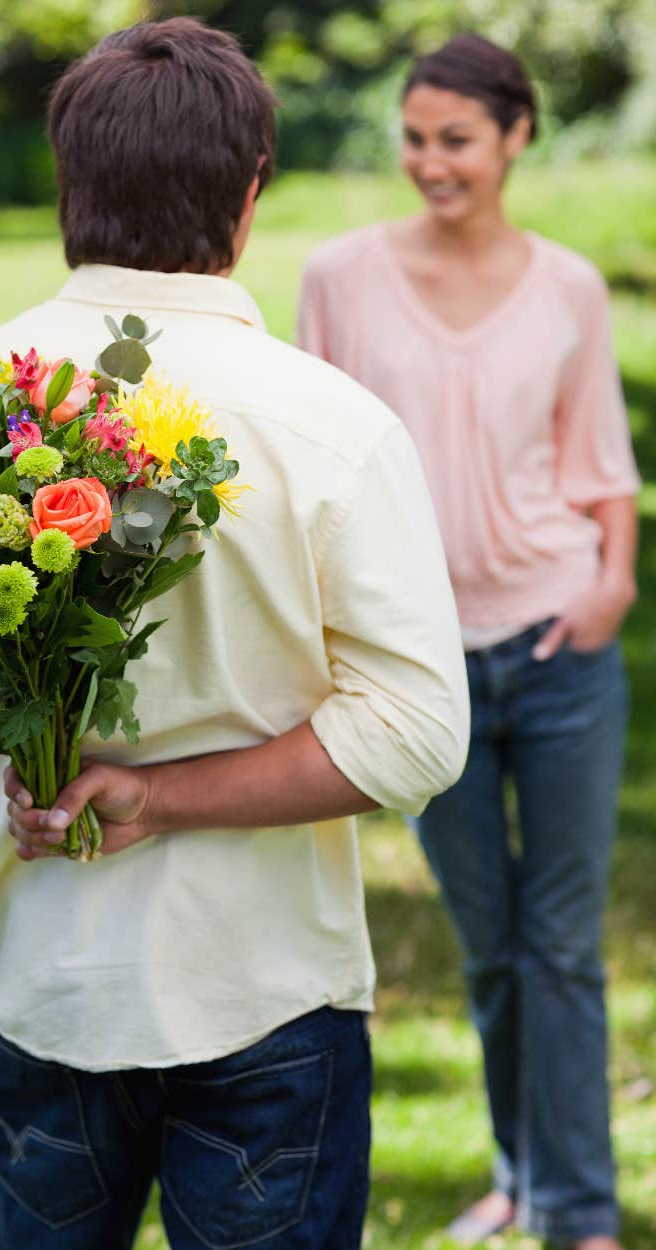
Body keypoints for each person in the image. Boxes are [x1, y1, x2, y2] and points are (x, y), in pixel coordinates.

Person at [0, 18, 470, 1250]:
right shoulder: (330, 426)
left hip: (38, 981)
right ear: (250, 189)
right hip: (266, 991)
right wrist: (160, 801)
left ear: (69, 178)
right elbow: (419, 735)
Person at [298, 31, 639, 1250]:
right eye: (415, 138)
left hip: (559, 650)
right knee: (490, 950)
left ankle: (579, 1211)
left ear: (515, 138)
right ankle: (518, 1174)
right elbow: (309, 471)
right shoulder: (337, 277)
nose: (430, 164)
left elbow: (603, 468)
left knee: (558, 948)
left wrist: (607, 590)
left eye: (456, 141)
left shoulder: (568, 289)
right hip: (418, 665)